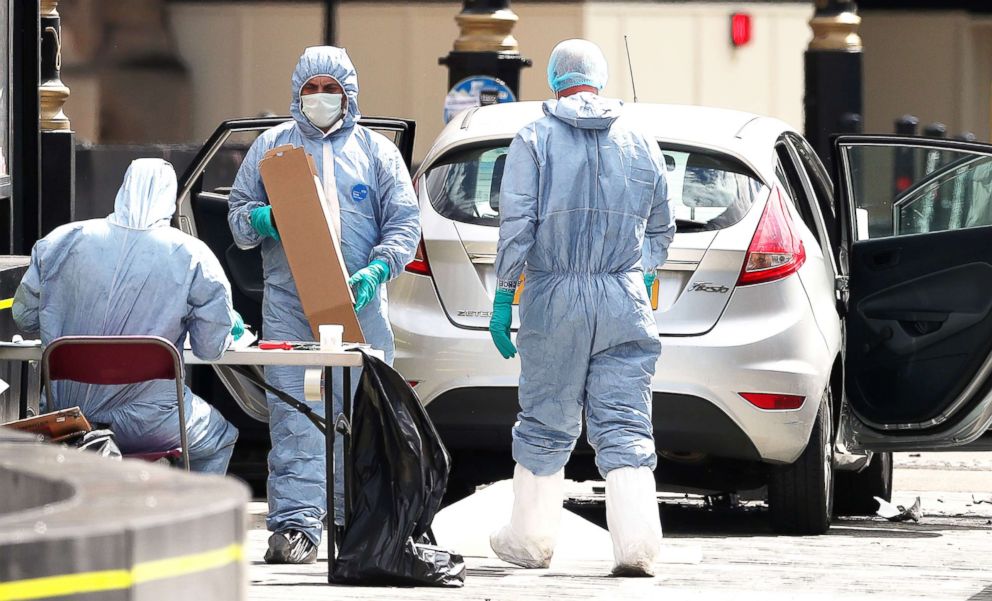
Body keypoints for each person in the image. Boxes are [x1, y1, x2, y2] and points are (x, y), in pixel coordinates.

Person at [488, 39, 676, 577]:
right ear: (601, 78)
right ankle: (637, 546)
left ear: (554, 78)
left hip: (557, 297)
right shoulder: (640, 140)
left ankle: (530, 539)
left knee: (546, 417)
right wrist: (636, 273)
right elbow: (662, 224)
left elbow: (518, 225)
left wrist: (505, 296)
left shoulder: (534, 138)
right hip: (624, 296)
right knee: (625, 419)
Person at [228, 46, 420, 564]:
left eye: (328, 89)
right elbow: (237, 217)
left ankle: (353, 520)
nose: (318, 98)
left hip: (360, 308)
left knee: (359, 417)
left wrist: (378, 268)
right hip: (290, 307)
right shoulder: (271, 149)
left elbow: (405, 224)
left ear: (348, 94)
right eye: (309, 89)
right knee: (296, 415)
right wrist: (264, 220)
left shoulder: (378, 154)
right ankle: (296, 526)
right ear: (296, 93)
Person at [13, 158, 241, 474]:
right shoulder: (193, 255)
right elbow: (210, 348)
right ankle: (185, 515)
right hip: (154, 423)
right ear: (170, 199)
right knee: (220, 437)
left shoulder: (59, 241)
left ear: (123, 188)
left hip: (67, 420)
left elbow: (23, 317)